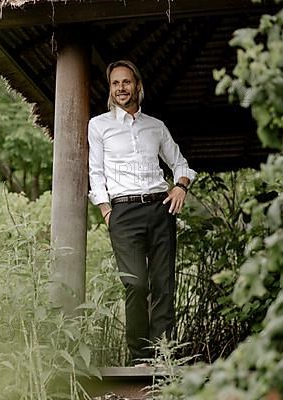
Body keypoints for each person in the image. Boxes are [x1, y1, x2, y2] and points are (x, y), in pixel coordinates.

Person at [87, 60, 197, 365]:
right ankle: (139, 358)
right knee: (135, 283)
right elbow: (95, 172)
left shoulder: (155, 126)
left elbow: (180, 164)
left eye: (126, 82)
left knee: (163, 284)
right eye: (115, 83)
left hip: (159, 208)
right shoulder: (99, 125)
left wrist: (181, 187)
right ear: (110, 89)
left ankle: (162, 357)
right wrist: (106, 211)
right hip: (122, 212)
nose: (121, 88)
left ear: (138, 86)